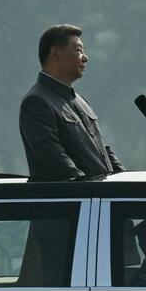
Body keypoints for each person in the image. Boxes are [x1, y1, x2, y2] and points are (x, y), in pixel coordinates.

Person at [19, 24, 125, 180]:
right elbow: (57, 162)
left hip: (100, 193)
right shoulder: (37, 101)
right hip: (73, 195)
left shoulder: (81, 101)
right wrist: (87, 188)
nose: (85, 57)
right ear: (55, 53)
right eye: (78, 50)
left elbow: (103, 150)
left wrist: (124, 179)